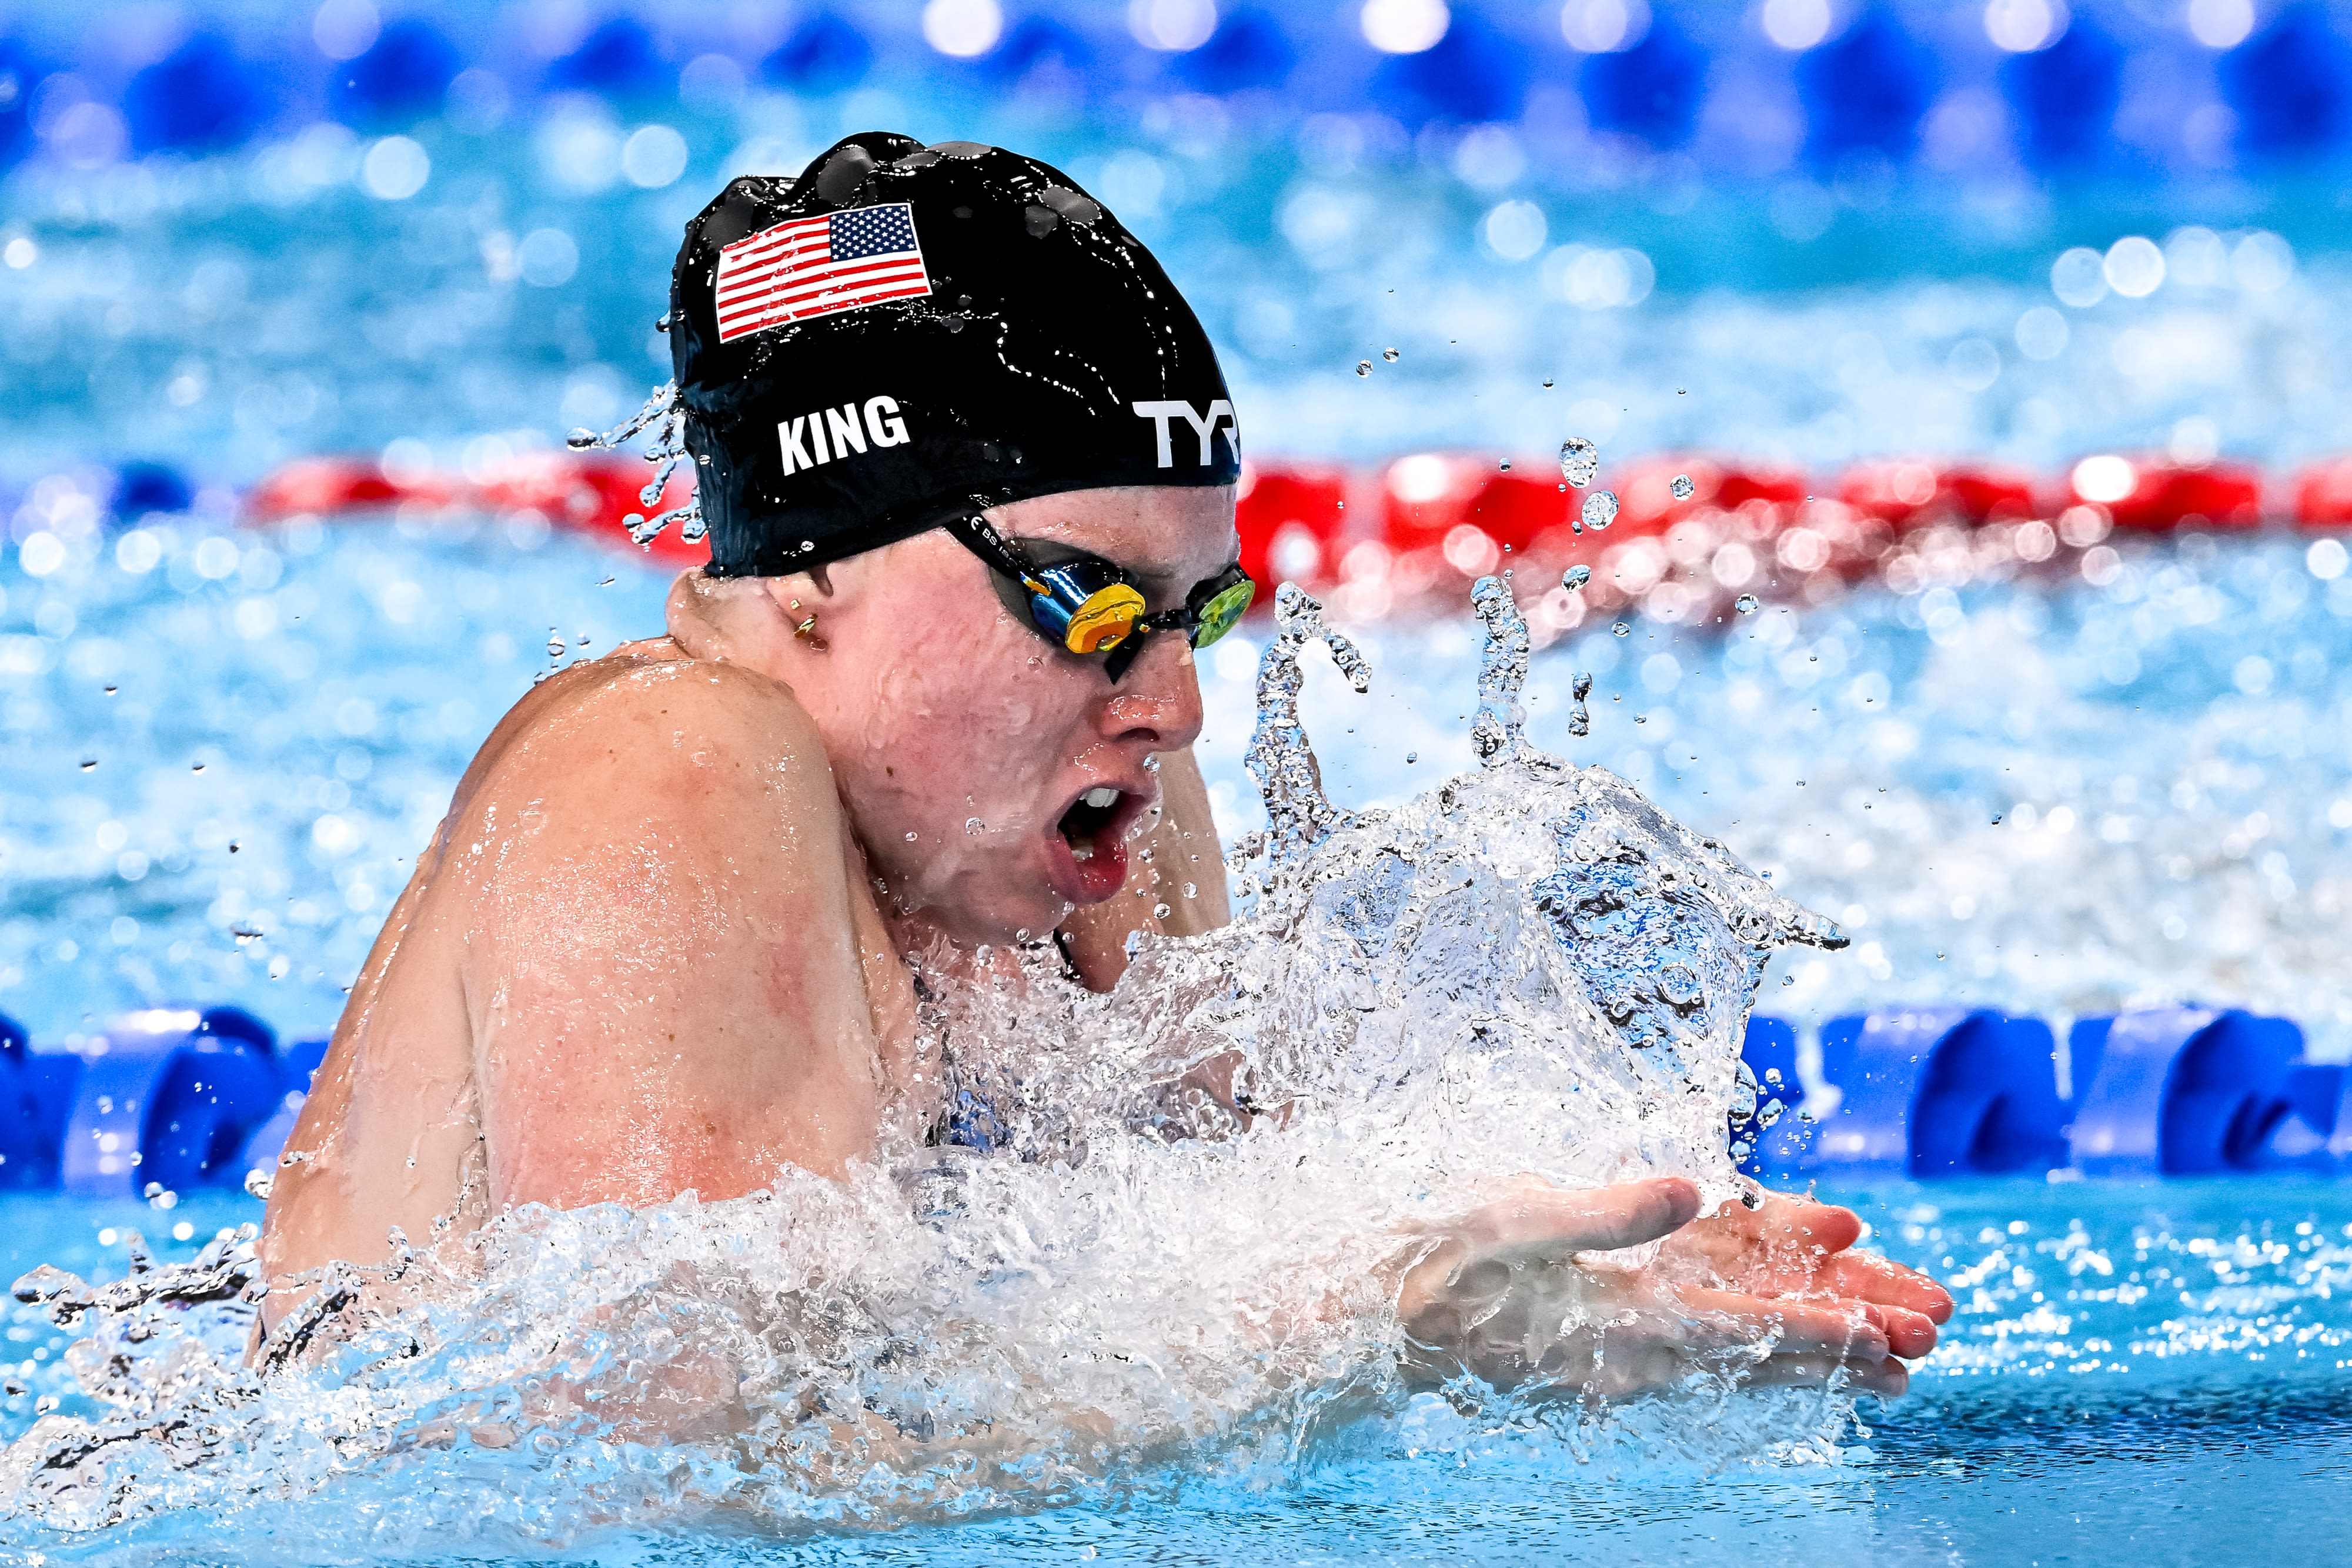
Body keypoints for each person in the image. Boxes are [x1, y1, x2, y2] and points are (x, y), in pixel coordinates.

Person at [258, 133, 1949, 1395]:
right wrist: (1377, 1322)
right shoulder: (669, 765)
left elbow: (1240, 1250)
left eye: (1194, 616)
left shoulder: (1086, 817)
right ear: (821, 567)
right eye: (1088, 605)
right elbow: (686, 1461)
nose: (1173, 705)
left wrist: (1570, 1289)